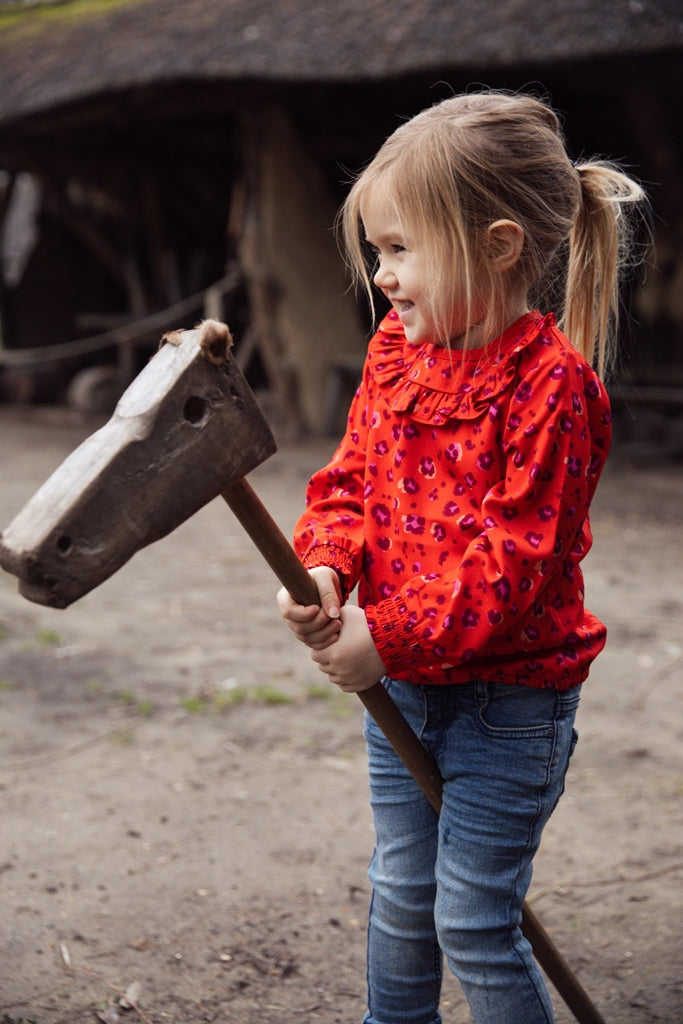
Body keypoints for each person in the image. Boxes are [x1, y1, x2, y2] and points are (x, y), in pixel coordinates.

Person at [277, 90, 647, 1024]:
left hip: (508, 703)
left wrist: (385, 639)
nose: (382, 275)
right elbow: (349, 487)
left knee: (473, 918)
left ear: (497, 245)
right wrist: (326, 568)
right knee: (402, 893)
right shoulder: (394, 355)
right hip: (403, 686)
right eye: (377, 251)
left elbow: (511, 566)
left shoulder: (550, 389)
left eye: (402, 250)